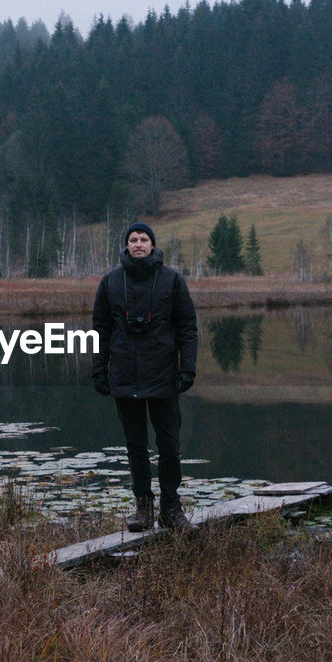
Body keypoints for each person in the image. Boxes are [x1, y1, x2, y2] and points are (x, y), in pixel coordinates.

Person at [92, 221, 198, 532]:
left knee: (169, 445)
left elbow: (187, 329)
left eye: (144, 239)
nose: (139, 244)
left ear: (153, 245)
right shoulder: (111, 282)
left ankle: (171, 508)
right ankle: (143, 507)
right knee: (135, 445)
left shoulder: (172, 280)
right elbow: (100, 330)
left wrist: (187, 368)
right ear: (126, 246)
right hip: (124, 376)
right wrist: (99, 369)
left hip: (164, 376)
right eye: (133, 240)